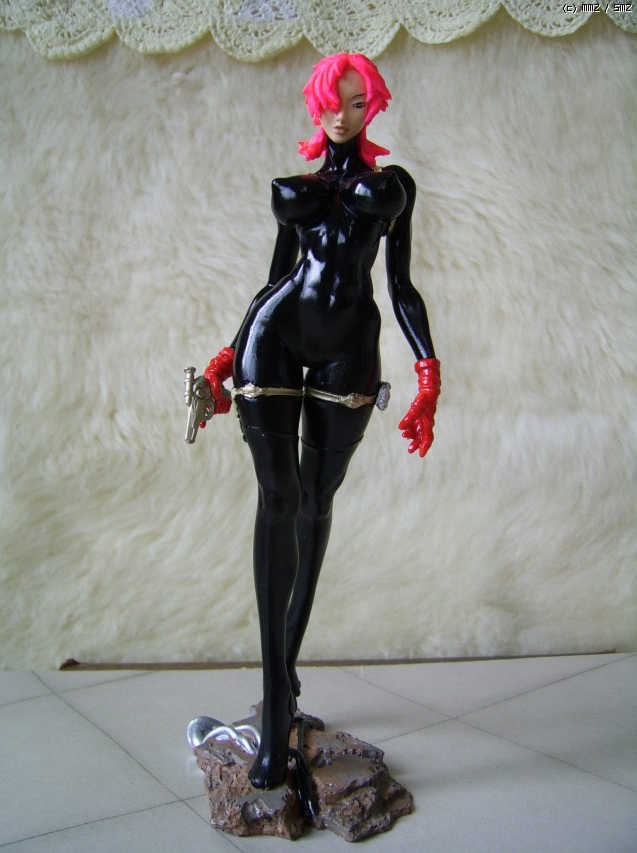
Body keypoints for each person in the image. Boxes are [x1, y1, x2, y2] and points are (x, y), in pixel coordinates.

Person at [203, 52, 441, 790]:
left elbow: (400, 285)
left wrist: (428, 371)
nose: (343, 114)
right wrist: (226, 355)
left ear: (373, 105)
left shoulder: (392, 188)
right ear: (315, 104)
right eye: (333, 101)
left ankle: (287, 665)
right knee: (277, 498)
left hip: (349, 350)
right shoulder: (294, 190)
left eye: (357, 101)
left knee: (315, 500)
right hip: (276, 336)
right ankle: (276, 706)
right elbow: (273, 280)